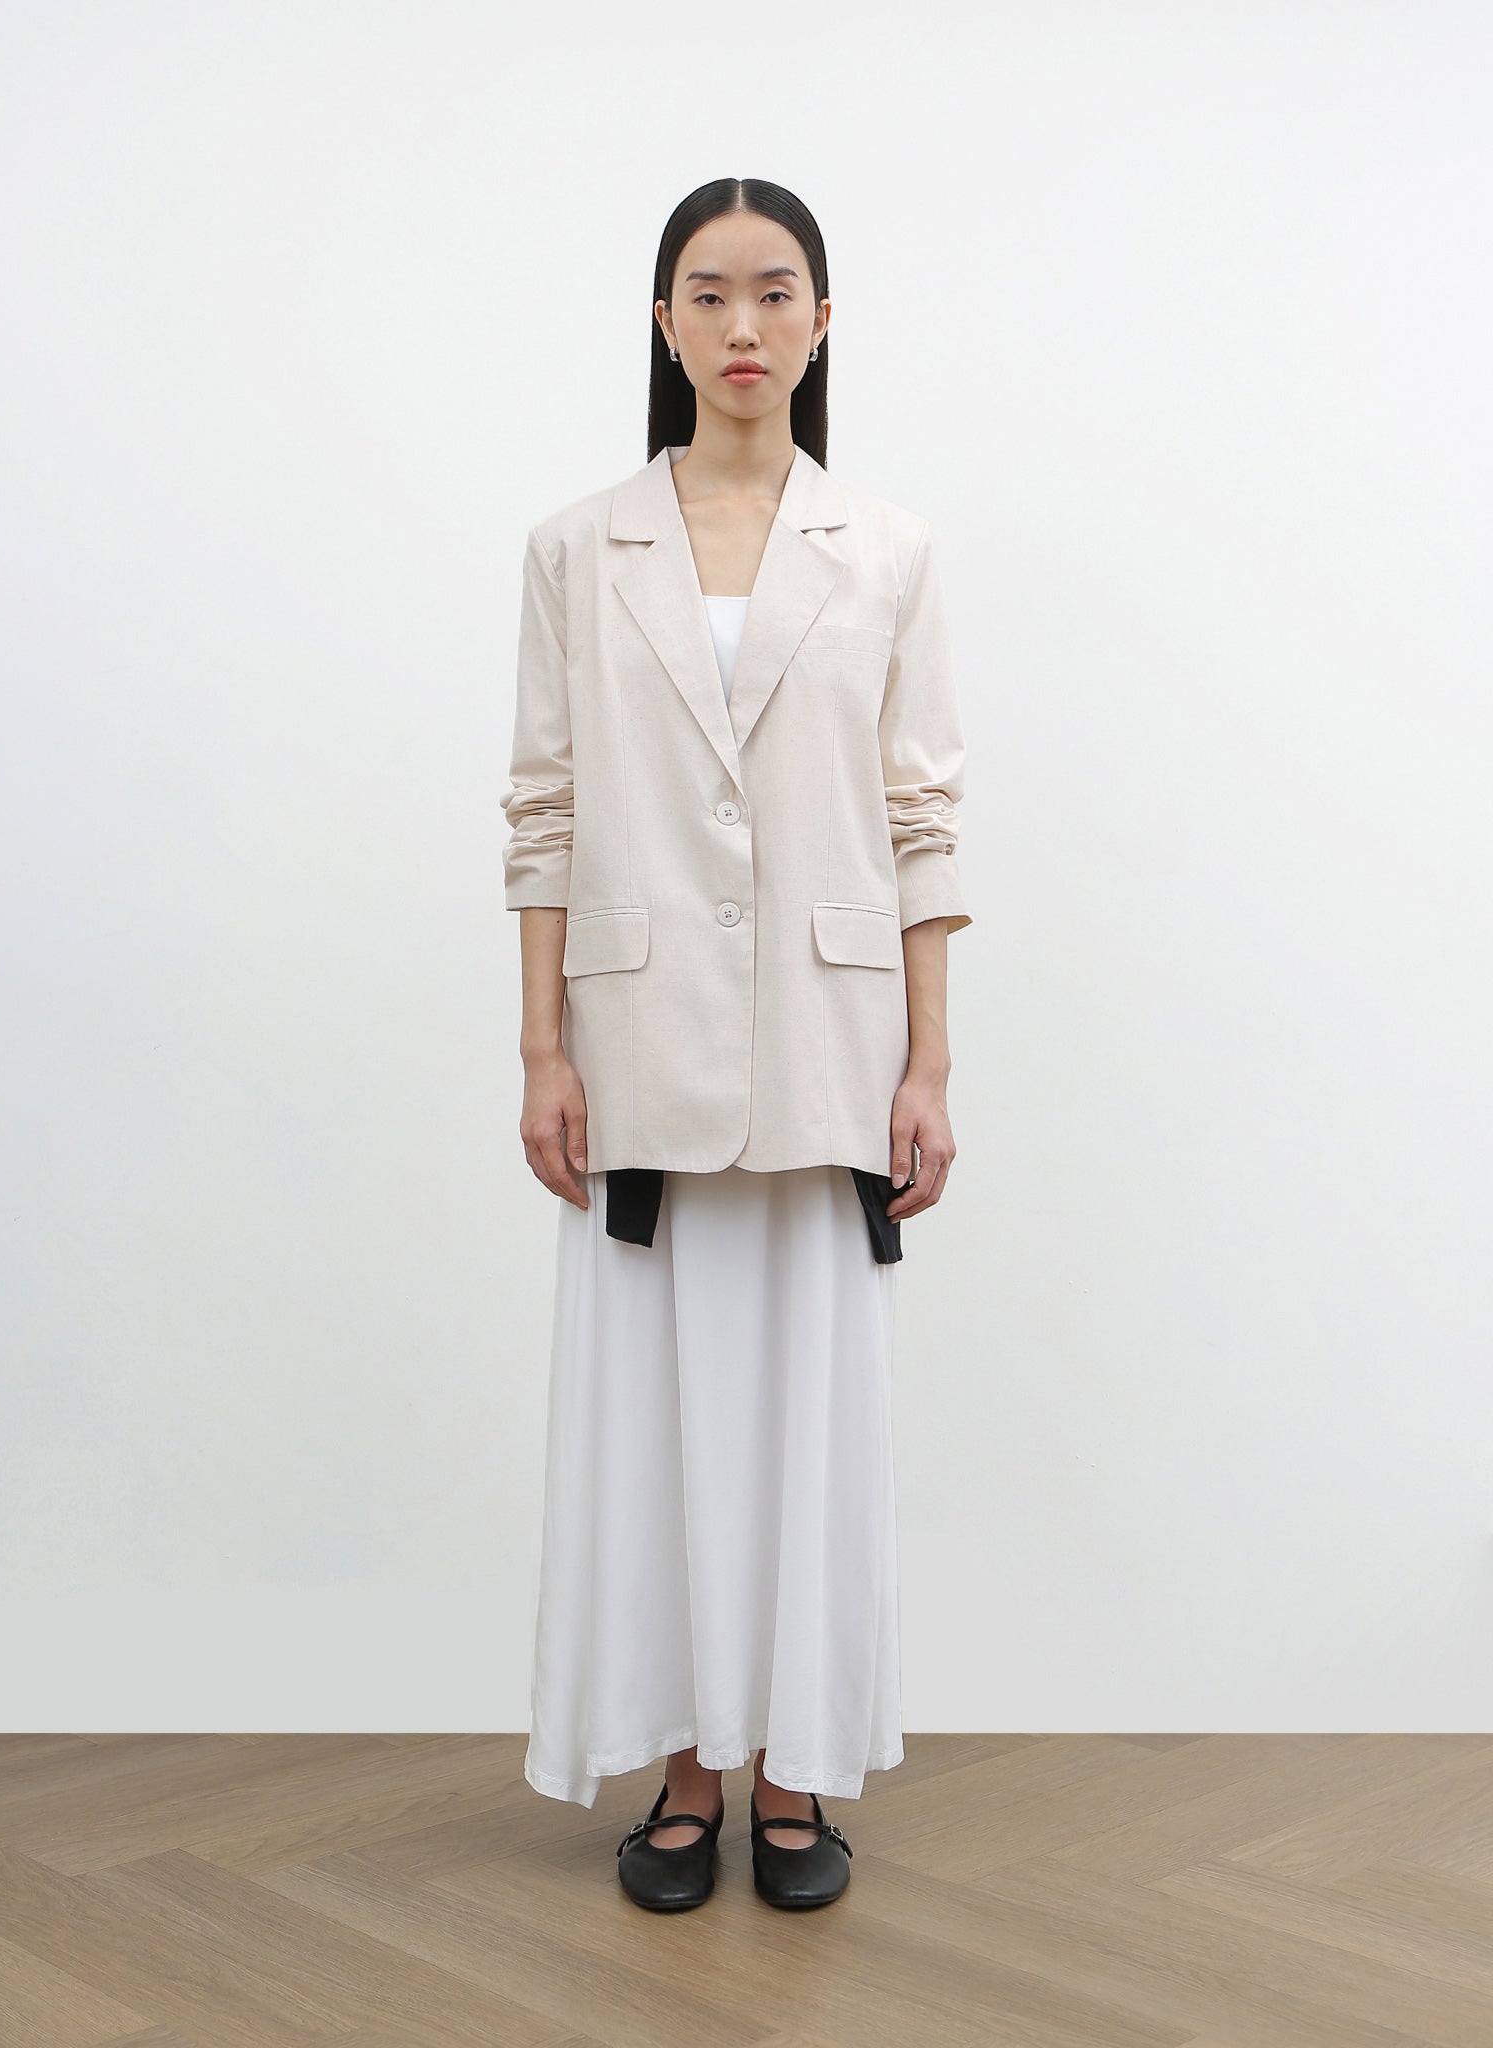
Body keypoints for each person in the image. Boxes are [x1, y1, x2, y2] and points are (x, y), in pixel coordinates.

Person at [500, 177, 971, 1911]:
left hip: (832, 1051)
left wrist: (929, 1066)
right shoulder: (579, 548)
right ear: (666, 323)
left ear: (823, 322)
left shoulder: (888, 550)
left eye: (777, 292)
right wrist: (542, 1052)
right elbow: (544, 811)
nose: (744, 324)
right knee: (655, 1426)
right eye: (709, 293)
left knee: (811, 1426)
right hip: (640, 1049)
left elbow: (923, 820)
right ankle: (685, 1767)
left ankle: (795, 1770)